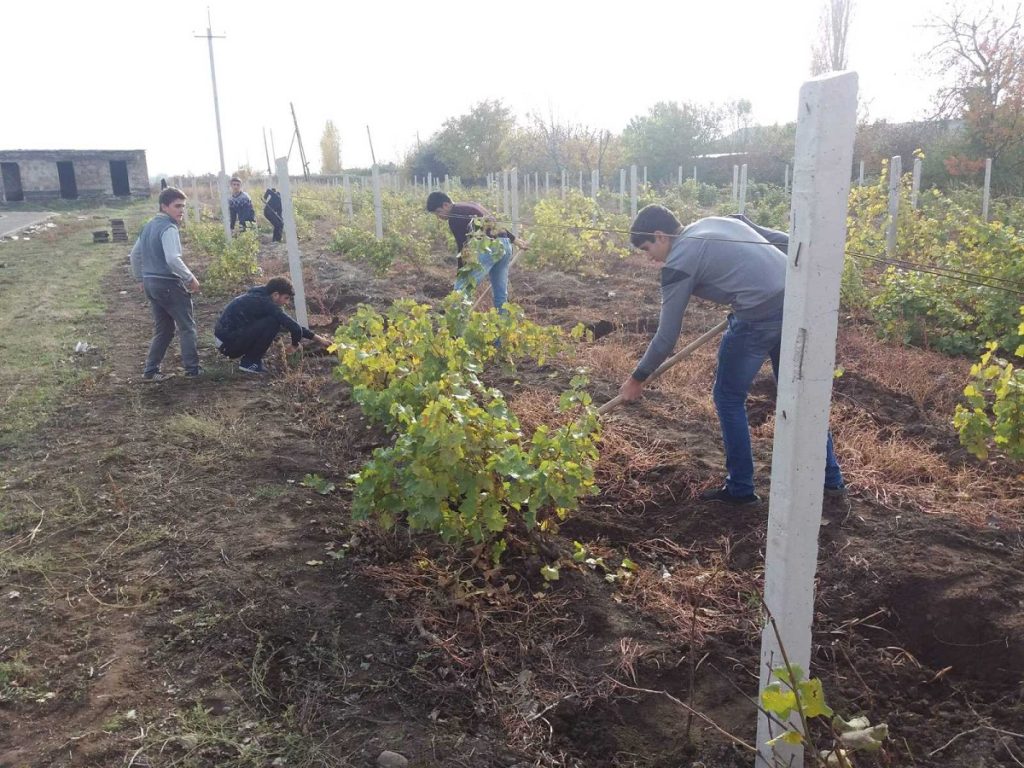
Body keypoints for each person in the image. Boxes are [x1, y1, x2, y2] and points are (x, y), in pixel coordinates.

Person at [617, 205, 845, 505]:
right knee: (797, 394)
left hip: (758, 320)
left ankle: (740, 488)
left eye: (647, 248)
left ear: (660, 236)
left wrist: (637, 378)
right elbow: (782, 241)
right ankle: (831, 479)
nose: (649, 258)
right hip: (796, 304)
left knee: (727, 397)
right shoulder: (716, 222)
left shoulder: (679, 261)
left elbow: (667, 336)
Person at [129, 187, 201, 381]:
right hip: (168, 284)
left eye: (183, 207)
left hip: (151, 284)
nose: (181, 211)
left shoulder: (149, 225)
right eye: (177, 206)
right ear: (164, 206)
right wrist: (190, 278)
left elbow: (135, 255)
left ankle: (150, 371)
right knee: (187, 326)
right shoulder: (169, 227)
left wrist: (140, 278)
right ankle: (192, 370)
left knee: (164, 329)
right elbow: (172, 259)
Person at [425, 191, 523, 311]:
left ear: (446, 205)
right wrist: (514, 240)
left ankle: (456, 322)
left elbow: (463, 247)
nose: (438, 217)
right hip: (505, 245)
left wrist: (461, 273)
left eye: (438, 212)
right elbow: (494, 223)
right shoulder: (472, 205)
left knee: (461, 288)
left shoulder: (454, 217)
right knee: (500, 293)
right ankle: (503, 324)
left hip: (489, 247)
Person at [214, 276, 331, 374]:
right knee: (273, 322)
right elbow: (294, 328)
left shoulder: (260, 297)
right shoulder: (265, 303)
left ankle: (251, 361)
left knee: (275, 321)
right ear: (275, 295)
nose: (286, 302)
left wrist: (318, 339)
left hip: (226, 341)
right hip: (229, 345)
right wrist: (294, 345)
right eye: (286, 298)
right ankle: (250, 363)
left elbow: (291, 324)